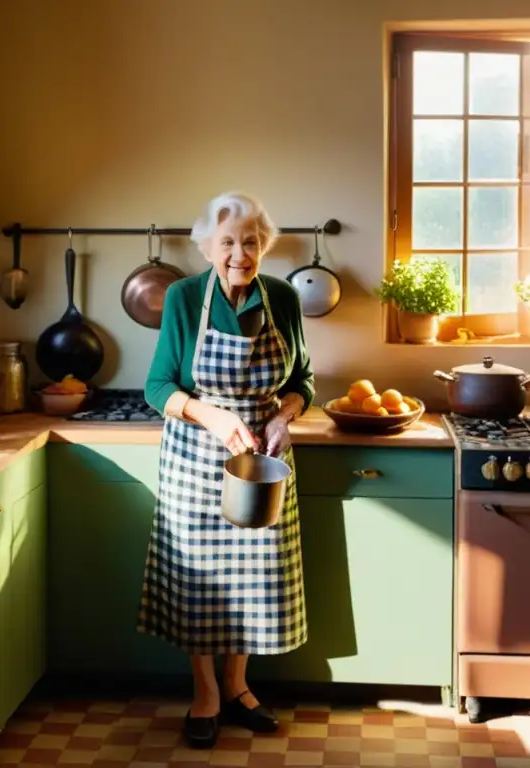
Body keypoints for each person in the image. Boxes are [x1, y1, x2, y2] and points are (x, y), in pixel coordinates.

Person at [139, 191, 315, 749]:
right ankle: (205, 693)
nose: (241, 254)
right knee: (200, 582)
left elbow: (303, 380)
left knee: (253, 578)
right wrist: (210, 415)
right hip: (195, 456)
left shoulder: (283, 298)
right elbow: (157, 387)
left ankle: (238, 687)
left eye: (251, 242)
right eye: (228, 243)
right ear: (208, 247)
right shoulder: (185, 298)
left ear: (264, 245)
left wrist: (286, 417)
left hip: (263, 455)